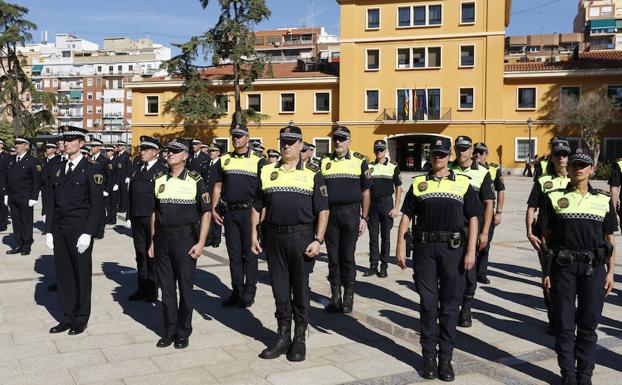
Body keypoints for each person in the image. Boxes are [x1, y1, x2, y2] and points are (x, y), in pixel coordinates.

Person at [395, 136, 480, 381]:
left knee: (450, 307)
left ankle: (446, 360)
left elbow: (474, 218)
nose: (438, 158)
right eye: (434, 155)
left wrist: (471, 250)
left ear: (449, 157)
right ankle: (429, 359)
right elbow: (406, 217)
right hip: (425, 251)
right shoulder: (419, 183)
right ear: (429, 157)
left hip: (454, 250)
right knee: (428, 305)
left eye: (443, 154)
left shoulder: (463, 184)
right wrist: (400, 246)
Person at [251, 125, 329, 362]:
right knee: (279, 290)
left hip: (301, 237)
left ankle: (300, 339)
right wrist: (253, 235)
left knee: (300, 290)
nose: (286, 146)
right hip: (274, 238)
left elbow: (323, 210)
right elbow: (257, 205)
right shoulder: (266, 171)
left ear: (301, 145)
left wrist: (318, 239)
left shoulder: (313, 173)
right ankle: (282, 337)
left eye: (291, 142)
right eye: (283, 141)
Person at [540, 147, 616, 385]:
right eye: (574, 165)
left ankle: (585, 375)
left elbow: (610, 240)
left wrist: (611, 272)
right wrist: (546, 271)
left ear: (591, 170)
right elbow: (546, 239)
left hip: (594, 269)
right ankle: (568, 375)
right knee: (564, 324)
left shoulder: (603, 200)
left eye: (583, 165)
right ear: (568, 169)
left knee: (588, 325)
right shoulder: (554, 197)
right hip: (563, 268)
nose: (578, 169)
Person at [149, 138, 211, 349]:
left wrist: (201, 242)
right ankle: (169, 330)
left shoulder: (195, 179)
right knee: (166, 289)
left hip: (185, 239)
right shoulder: (158, 179)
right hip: (163, 240)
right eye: (168, 151)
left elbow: (206, 212)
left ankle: (183, 331)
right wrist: (152, 241)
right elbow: (155, 213)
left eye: (175, 151)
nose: (170, 154)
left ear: (185, 156)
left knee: (185, 288)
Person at [46, 127, 104, 335]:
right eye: (65, 140)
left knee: (81, 274)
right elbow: (52, 202)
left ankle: (81, 318)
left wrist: (89, 232)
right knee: (63, 274)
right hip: (60, 228)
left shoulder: (91, 168)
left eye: (71, 140)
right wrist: (49, 230)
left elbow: (97, 205)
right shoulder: (58, 168)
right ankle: (67, 316)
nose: (67, 143)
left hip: (80, 230)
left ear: (81, 143)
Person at [211, 125, 266, 308]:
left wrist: (262, 215)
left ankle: (249, 291)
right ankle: (237, 290)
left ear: (247, 138)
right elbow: (218, 186)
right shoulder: (224, 160)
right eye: (234, 136)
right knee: (234, 255)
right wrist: (213, 209)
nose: (236, 139)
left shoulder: (259, 161)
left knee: (250, 253)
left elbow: (264, 191)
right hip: (230, 213)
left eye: (240, 136)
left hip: (250, 212)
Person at [321, 126, 372, 313]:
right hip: (330, 215)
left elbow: (366, 192)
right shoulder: (324, 161)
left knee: (347, 256)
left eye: (342, 139)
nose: (338, 142)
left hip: (351, 213)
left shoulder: (359, 161)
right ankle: (335, 297)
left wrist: (364, 217)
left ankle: (349, 295)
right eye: (335, 138)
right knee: (333, 257)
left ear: (349, 141)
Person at [526, 139, 571, 334]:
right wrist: (529, 232)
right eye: (557, 154)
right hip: (546, 236)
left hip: (570, 236)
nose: (561, 158)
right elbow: (531, 207)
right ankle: (553, 316)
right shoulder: (543, 181)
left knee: (568, 278)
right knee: (549, 276)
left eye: (564, 154)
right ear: (551, 158)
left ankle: (567, 316)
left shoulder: (578, 178)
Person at [449, 136, 494, 328]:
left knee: (469, 270)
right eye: (458, 149)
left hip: (472, 229)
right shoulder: (447, 169)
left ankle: (466, 307)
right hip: (450, 229)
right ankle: (450, 305)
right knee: (449, 270)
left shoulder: (482, 173)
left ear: (471, 151)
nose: (461, 152)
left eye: (465, 149)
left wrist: (485, 232)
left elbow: (488, 203)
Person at [127, 136, 168, 302]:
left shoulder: (162, 170)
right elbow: (132, 194)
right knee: (140, 253)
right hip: (137, 217)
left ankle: (152, 288)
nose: (141, 152)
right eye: (141, 149)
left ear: (155, 152)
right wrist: (129, 215)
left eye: (145, 150)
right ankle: (141, 286)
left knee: (152, 254)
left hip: (152, 219)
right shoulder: (137, 168)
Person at [364, 139, 402, 278]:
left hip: (387, 205)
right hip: (372, 205)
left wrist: (396, 208)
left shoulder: (393, 166)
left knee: (385, 237)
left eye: (381, 149)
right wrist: (364, 210)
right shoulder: (369, 167)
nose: (379, 152)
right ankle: (373, 265)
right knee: (373, 237)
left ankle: (384, 266)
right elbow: (365, 188)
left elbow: (398, 188)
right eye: (376, 150)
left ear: (385, 150)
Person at [472, 142, 505, 284]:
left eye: (481, 152)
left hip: (488, 212)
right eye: (475, 152)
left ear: (486, 154)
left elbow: (501, 191)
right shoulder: (469, 169)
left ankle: (481, 273)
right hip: (471, 212)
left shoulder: (494, 170)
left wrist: (499, 212)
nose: (477, 154)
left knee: (485, 243)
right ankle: (470, 271)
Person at [6, 136, 41, 255]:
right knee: (16, 222)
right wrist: (6, 194)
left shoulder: (32, 161)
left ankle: (26, 245)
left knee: (26, 222)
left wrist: (34, 197)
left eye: (20, 143)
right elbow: (7, 178)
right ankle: (19, 244)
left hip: (26, 197)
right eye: (16, 143)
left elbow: (36, 181)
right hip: (13, 196)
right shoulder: (11, 160)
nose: (16, 145)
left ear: (26, 146)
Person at [90, 138, 113, 239]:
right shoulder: (89, 159)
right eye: (91, 146)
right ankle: (93, 230)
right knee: (92, 210)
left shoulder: (105, 160)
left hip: (101, 189)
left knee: (100, 211)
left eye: (94, 146)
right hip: (91, 189)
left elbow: (110, 176)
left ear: (99, 147)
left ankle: (100, 232)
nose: (92, 148)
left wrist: (107, 190)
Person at [203, 143, 223, 248]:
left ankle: (216, 238)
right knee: (208, 216)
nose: (211, 153)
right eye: (210, 151)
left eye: (214, 151)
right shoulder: (206, 163)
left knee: (216, 216)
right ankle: (209, 238)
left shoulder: (221, 163)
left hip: (217, 195)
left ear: (218, 153)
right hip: (207, 194)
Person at [40, 142, 61, 228]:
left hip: (52, 187)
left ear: (54, 149)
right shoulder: (43, 160)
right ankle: (47, 225)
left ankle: (51, 225)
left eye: (49, 147)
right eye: (47, 147)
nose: (47, 149)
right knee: (45, 206)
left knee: (52, 207)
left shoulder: (57, 160)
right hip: (44, 188)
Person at [113, 140, 131, 214]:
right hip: (117, 176)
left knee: (124, 193)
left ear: (123, 146)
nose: (118, 147)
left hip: (124, 177)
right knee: (118, 193)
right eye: (118, 145)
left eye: (120, 145)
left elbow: (129, 167)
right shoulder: (116, 154)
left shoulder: (126, 155)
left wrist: (128, 176)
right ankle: (119, 206)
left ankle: (124, 208)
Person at [608, 155, 622, 225]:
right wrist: (614, 213)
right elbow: (614, 189)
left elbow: (614, 189)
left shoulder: (619, 165)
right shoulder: (619, 165)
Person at [0, 139, 10, 231]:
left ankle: (3, 223)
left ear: (2, 145)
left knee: (2, 204)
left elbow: (8, 171)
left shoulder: (6, 156)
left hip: (2, 183)